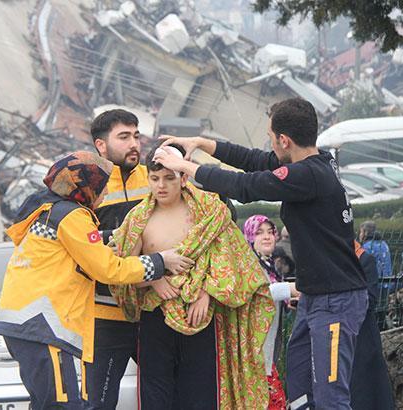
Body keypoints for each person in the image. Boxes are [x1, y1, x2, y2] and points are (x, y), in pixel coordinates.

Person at [153, 97, 368, 409]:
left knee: (331, 397)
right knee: (300, 388)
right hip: (316, 296)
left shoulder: (308, 176)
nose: (270, 145)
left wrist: (184, 166)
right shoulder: (315, 161)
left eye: (271, 137)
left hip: (335, 300)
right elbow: (254, 161)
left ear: (284, 140)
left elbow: (246, 186)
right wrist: (200, 143)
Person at [0, 151, 193, 409]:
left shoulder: (47, 210)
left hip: (26, 323)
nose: (104, 193)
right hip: (43, 323)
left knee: (48, 403)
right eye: (101, 186)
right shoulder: (72, 216)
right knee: (60, 405)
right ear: (86, 185)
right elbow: (108, 270)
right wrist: (159, 262)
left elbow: (88, 250)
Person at [111, 143, 275, 410]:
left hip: (201, 317)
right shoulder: (137, 219)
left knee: (201, 395)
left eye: (168, 178)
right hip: (156, 316)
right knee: (156, 396)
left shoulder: (209, 212)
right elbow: (122, 270)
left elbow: (235, 261)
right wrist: (155, 278)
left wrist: (208, 293)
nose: (161, 186)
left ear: (184, 177)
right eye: (154, 179)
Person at [86, 109, 150, 409]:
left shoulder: (155, 177)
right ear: (101, 145)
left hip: (153, 309)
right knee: (99, 401)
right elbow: (82, 242)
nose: (133, 143)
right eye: (124, 137)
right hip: (106, 314)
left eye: (136, 136)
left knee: (168, 397)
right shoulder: (87, 187)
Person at [243, 215, 300, 409]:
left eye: (270, 232)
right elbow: (260, 292)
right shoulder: (248, 265)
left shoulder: (270, 267)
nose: (266, 237)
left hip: (266, 356)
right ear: (249, 237)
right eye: (259, 233)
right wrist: (292, 288)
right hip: (254, 358)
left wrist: (288, 301)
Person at [350, 240, 396, 410]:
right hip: (337, 335)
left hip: (362, 337)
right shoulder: (329, 259)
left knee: (365, 390)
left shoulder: (364, 259)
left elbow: (370, 298)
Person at [359, 220, 393, 329]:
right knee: (381, 311)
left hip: (373, 284)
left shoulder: (367, 247)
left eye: (360, 232)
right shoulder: (384, 244)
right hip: (385, 283)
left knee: (372, 313)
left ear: (364, 232)